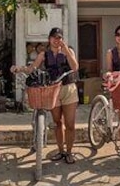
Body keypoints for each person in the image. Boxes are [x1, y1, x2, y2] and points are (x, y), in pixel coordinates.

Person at [11, 27, 79, 164]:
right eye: (54, 37)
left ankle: (69, 152)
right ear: (49, 39)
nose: (56, 40)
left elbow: (75, 67)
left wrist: (66, 52)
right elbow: (32, 68)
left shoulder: (68, 50)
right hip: (53, 89)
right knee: (57, 122)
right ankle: (61, 151)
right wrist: (19, 69)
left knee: (70, 124)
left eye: (59, 37)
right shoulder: (44, 54)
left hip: (68, 88)